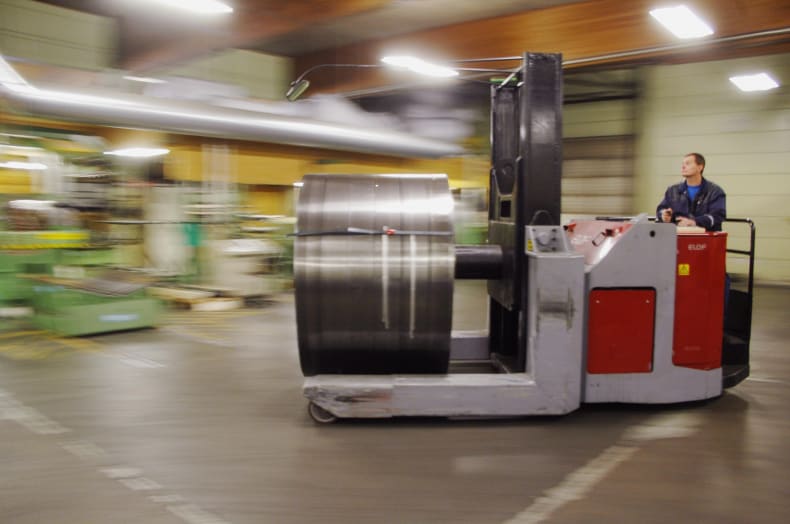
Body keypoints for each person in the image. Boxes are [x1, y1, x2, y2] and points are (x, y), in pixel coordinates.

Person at [656, 152, 726, 231]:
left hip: (705, 239)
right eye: (682, 164)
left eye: (688, 163)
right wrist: (663, 215)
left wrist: (694, 222)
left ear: (700, 167)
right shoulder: (672, 191)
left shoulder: (715, 191)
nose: (683, 167)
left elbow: (717, 216)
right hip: (678, 238)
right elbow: (660, 210)